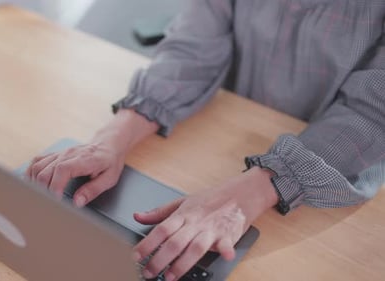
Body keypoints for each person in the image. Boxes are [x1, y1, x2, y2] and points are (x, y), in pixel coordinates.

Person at [26, 1, 385, 280]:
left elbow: (373, 112)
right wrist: (113, 136)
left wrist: (254, 191)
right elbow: (193, 49)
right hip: (229, 127)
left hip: (333, 181)